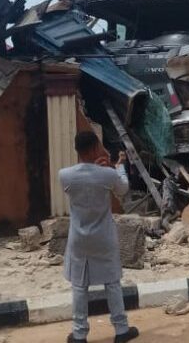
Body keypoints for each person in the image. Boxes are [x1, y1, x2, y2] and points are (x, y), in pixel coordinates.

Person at [59, 131, 139, 343]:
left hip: (79, 238)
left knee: (79, 286)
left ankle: (79, 334)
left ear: (77, 150)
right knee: (112, 283)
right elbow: (123, 189)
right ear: (95, 148)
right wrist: (116, 167)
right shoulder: (107, 175)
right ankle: (121, 330)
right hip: (104, 237)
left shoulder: (65, 175)